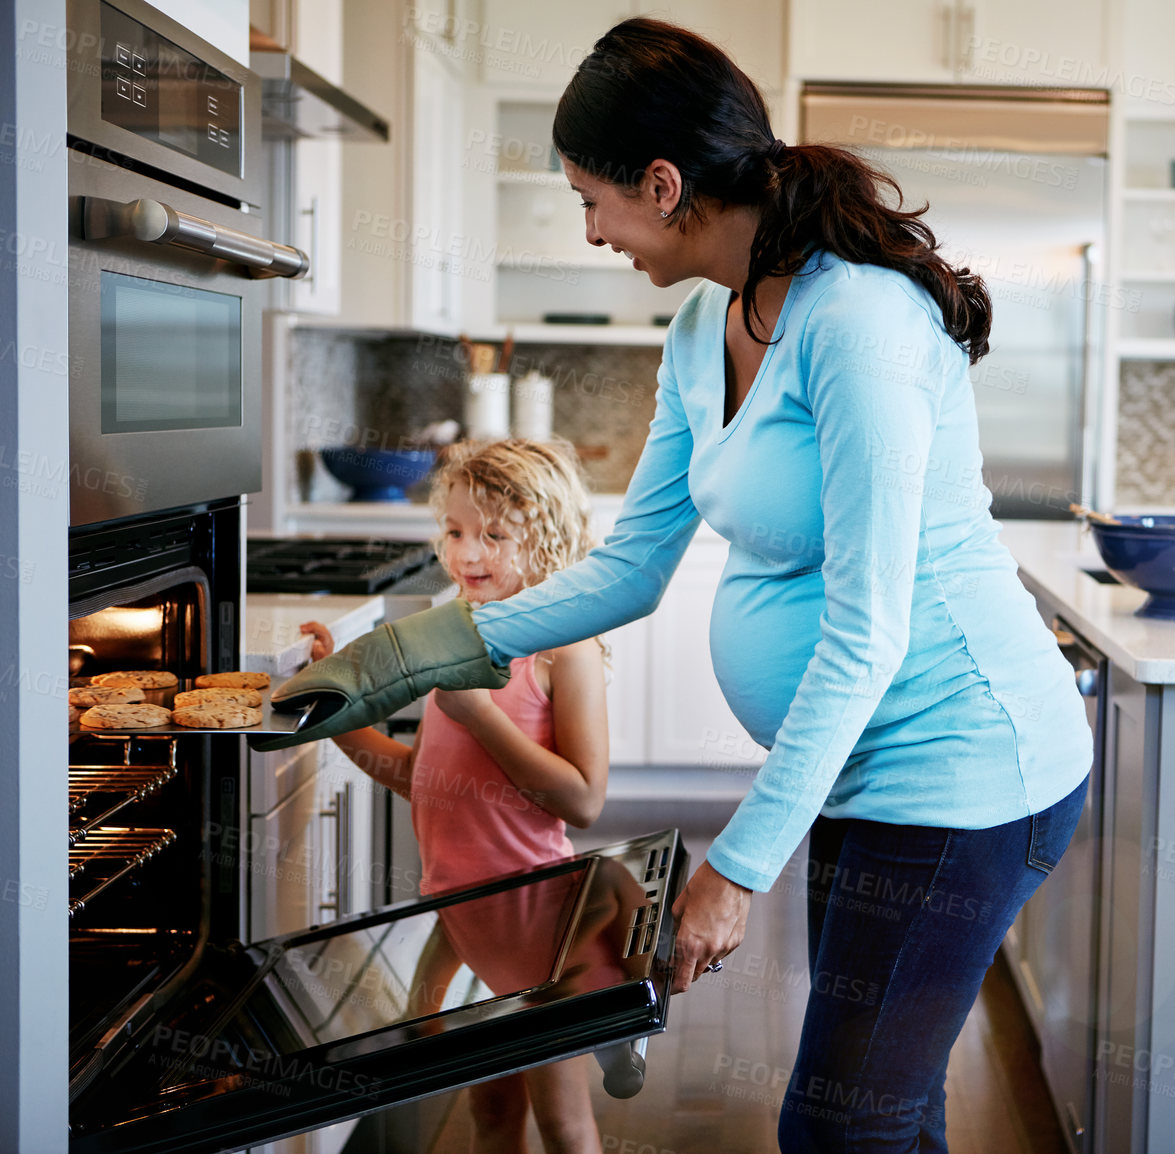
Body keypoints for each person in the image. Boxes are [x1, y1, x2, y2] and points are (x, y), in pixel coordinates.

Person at [264, 18, 1094, 1151]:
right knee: (884, 1113)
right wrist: (402, 656)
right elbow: (630, 568)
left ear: (663, 185)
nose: (592, 229)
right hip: (863, 766)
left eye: (592, 199)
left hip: (969, 763)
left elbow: (867, 631)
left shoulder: (859, 324)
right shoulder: (702, 326)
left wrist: (736, 866)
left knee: (844, 1125)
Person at [300, 438, 612, 1154]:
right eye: (456, 531)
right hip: (461, 915)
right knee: (491, 1113)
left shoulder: (567, 650)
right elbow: (422, 777)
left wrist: (481, 715)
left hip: (535, 922)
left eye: (495, 535)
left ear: (548, 538)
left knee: (564, 1124)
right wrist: (334, 707)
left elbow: (585, 800)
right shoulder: (456, 636)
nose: (469, 553)